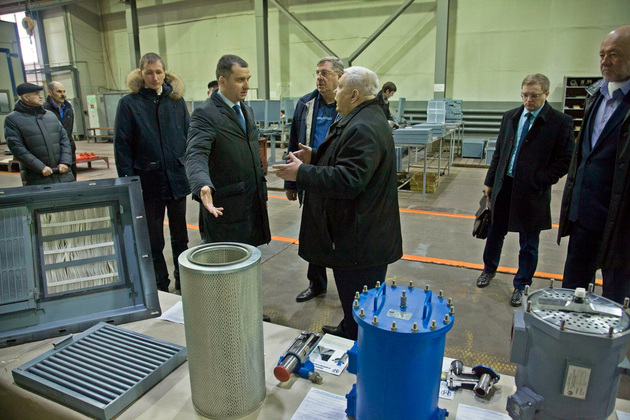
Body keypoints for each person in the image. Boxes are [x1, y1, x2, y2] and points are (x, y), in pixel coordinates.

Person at [273, 66, 403, 340]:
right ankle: (349, 327)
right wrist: (315, 155)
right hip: (362, 234)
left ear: (354, 95)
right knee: (355, 299)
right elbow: (347, 157)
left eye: (340, 87)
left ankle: (354, 338)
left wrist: (301, 173)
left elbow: (349, 179)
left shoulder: (363, 127)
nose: (335, 91)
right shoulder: (364, 118)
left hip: (360, 239)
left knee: (359, 298)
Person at [476, 73, 574, 306]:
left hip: (532, 191)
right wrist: (490, 182)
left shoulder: (560, 122)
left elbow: (566, 160)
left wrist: (539, 179)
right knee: (495, 233)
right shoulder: (510, 117)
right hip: (505, 186)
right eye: (525, 95)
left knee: (529, 242)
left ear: (546, 94)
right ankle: (489, 269)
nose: (528, 100)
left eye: (534, 96)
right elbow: (499, 152)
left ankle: (522, 284)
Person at [559, 25, 630, 304]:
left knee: (616, 298)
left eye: (614, 54)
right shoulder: (595, 97)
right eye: (602, 54)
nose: (605, 61)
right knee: (573, 291)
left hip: (621, 223)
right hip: (583, 216)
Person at [114, 52, 190, 293]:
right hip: (148, 182)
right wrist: (129, 184)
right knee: (154, 239)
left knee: (181, 237)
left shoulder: (176, 101)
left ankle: (184, 281)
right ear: (141, 73)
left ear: (165, 73)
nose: (155, 78)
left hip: (176, 179)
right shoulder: (129, 104)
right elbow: (122, 147)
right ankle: (160, 284)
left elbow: (187, 136)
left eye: (158, 72)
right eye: (149, 72)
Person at [186, 54, 271, 247]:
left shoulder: (246, 110)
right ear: (222, 81)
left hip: (252, 203)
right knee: (229, 259)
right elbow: (196, 153)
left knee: (250, 257)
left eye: (248, 79)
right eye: (240, 80)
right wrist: (202, 183)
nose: (247, 86)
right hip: (227, 208)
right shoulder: (205, 114)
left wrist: (262, 194)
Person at [284, 56, 344, 303]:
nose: (319, 77)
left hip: (338, 177)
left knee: (340, 232)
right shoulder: (306, 104)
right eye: (317, 73)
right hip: (310, 176)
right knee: (314, 233)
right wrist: (291, 182)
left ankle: (346, 287)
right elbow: (293, 141)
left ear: (340, 76)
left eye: (325, 73)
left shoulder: (349, 103)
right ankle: (316, 283)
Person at [5, 82, 74, 186]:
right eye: (36, 94)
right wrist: (40, 167)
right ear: (26, 97)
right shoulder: (13, 120)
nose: (41, 96)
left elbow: (64, 139)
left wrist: (65, 162)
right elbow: (17, 148)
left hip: (63, 174)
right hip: (37, 177)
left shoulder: (50, 116)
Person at [43, 81, 76, 179]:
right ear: (50, 92)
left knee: (72, 178)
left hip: (69, 148)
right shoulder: (44, 110)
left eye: (64, 91)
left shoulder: (68, 109)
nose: (63, 94)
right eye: (59, 92)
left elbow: (68, 131)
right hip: (54, 150)